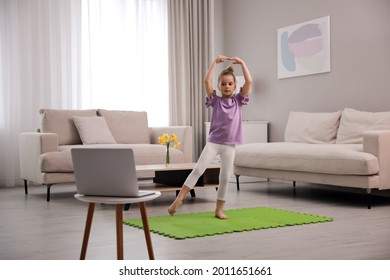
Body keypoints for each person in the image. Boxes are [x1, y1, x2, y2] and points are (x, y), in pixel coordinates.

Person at [168, 55, 252, 219]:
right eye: (223, 84)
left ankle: (219, 209)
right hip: (214, 142)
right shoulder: (215, 100)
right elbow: (207, 81)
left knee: (225, 177)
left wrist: (242, 63)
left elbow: (249, 82)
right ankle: (179, 198)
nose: (226, 86)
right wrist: (214, 63)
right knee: (199, 169)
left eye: (230, 84)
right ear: (219, 86)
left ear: (235, 86)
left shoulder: (239, 101)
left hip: (229, 145)